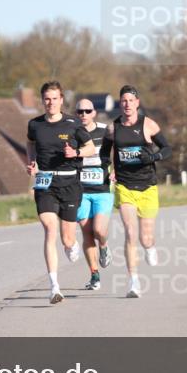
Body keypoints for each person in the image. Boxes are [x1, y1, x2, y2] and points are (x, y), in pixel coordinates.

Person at [26, 81, 96, 304]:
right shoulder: (35, 125)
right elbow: (29, 143)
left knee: (67, 238)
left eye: (55, 98)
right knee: (49, 229)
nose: (51, 103)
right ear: (42, 100)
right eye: (47, 98)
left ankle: (72, 244)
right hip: (45, 181)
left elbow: (91, 148)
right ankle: (54, 287)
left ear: (61, 100)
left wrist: (75, 152)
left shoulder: (73, 123)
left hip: (69, 183)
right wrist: (31, 161)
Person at [106, 85, 171, 298]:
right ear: (120, 103)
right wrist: (109, 171)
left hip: (148, 186)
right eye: (123, 101)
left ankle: (150, 247)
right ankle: (134, 282)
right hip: (125, 186)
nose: (127, 104)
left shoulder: (149, 125)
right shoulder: (113, 129)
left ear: (137, 103)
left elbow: (167, 149)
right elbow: (103, 155)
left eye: (130, 101)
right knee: (130, 233)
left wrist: (152, 158)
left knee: (145, 237)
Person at [73, 99, 114, 290]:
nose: (83, 115)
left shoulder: (106, 130)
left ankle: (104, 247)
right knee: (86, 232)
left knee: (99, 230)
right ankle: (94, 275)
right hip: (80, 190)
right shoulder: (72, 132)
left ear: (94, 113)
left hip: (102, 189)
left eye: (87, 111)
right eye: (80, 111)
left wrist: (116, 169)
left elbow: (118, 149)